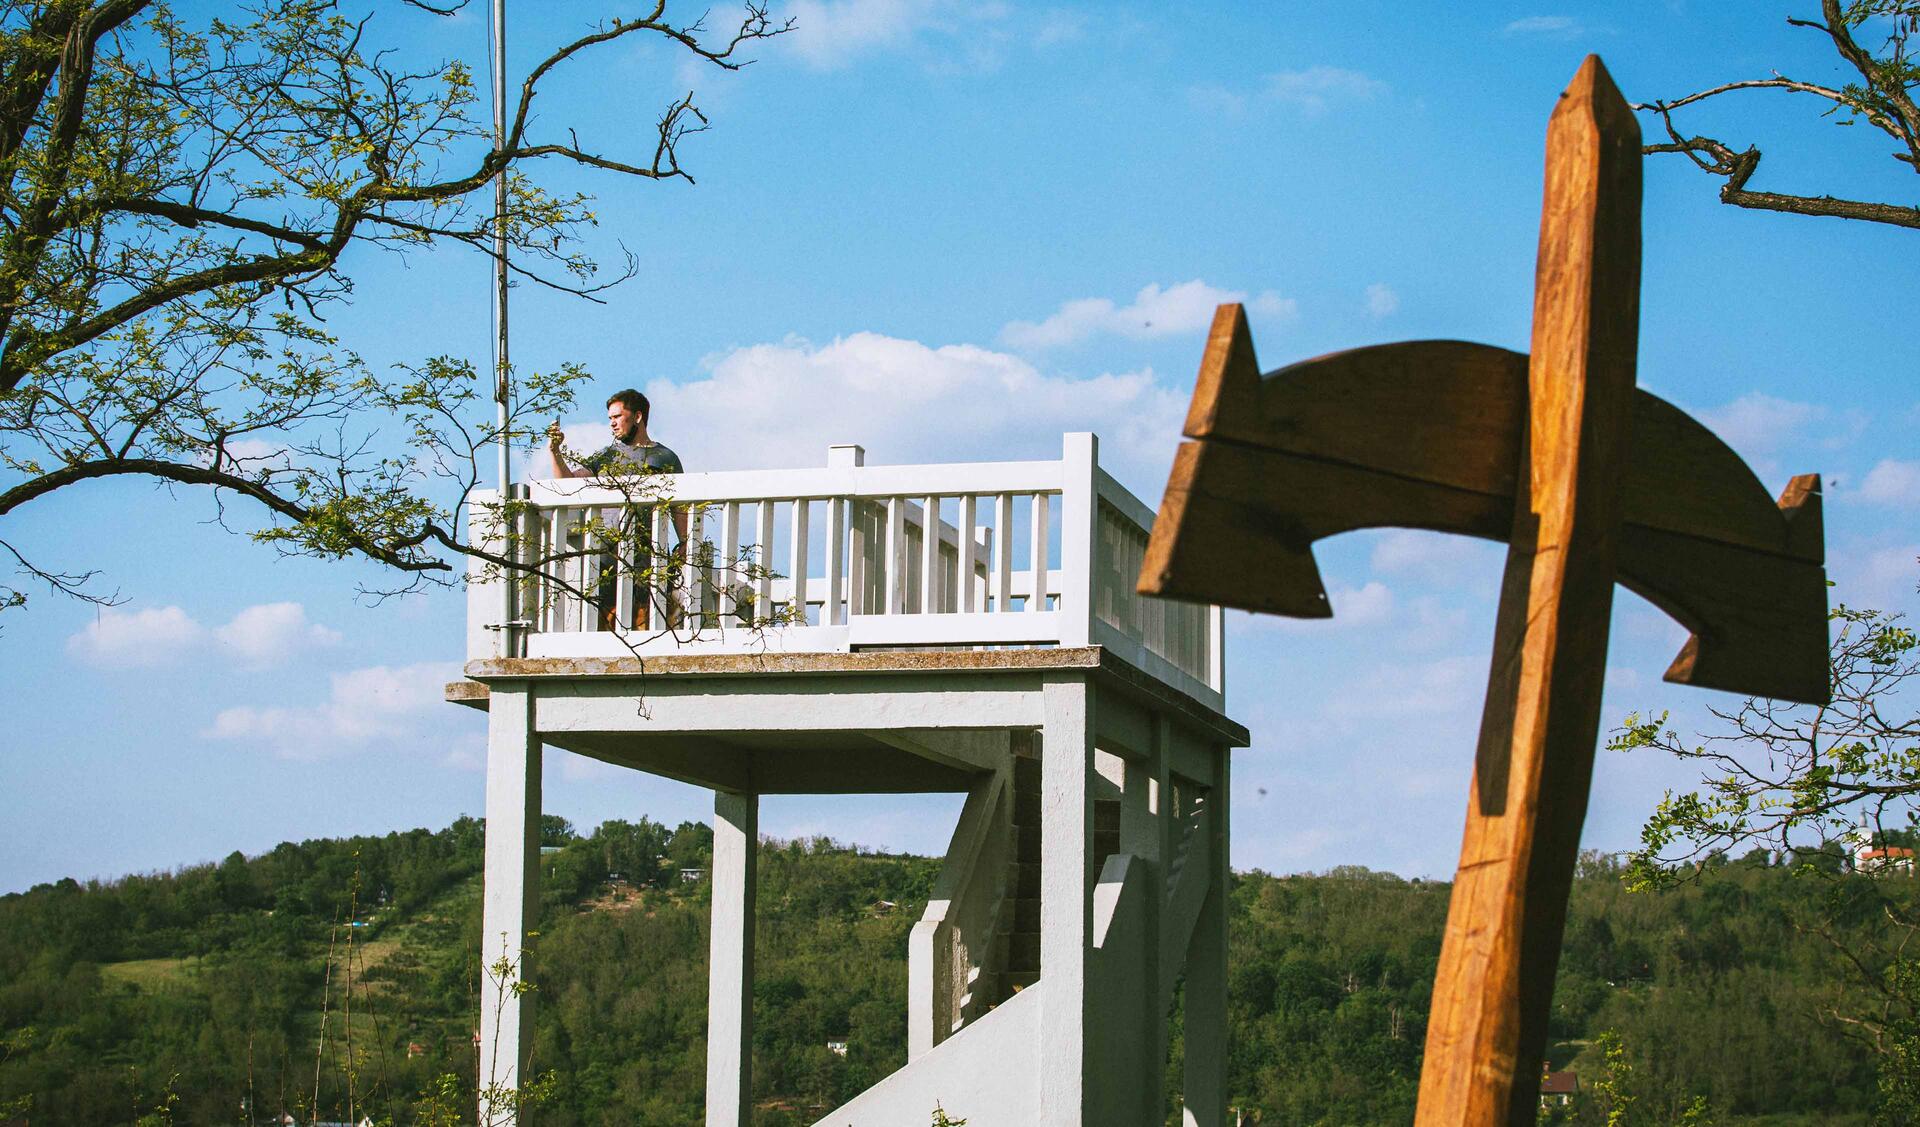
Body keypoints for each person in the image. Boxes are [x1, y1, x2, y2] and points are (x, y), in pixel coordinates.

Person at [546, 389, 688, 630]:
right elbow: (568, 483)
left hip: (647, 560)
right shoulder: (606, 456)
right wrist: (555, 452)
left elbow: (680, 506)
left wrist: (685, 543)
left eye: (618, 416)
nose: (612, 423)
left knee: (646, 626)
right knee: (605, 627)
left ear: (638, 417)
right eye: (610, 418)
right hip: (606, 559)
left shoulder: (664, 458)